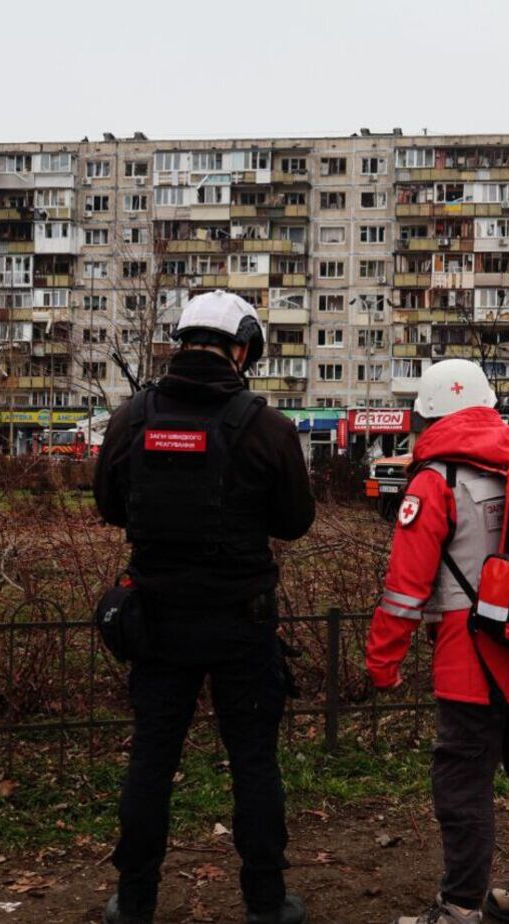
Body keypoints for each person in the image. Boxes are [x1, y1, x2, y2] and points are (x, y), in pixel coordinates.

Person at [93, 291, 316, 924]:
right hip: (241, 625)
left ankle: (135, 902)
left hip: (155, 623)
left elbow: (110, 507)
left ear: (182, 342)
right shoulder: (268, 427)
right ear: (241, 350)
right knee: (253, 761)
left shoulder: (131, 417)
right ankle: (267, 904)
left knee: (151, 760)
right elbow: (295, 523)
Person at [365, 359, 509, 924]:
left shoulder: (435, 481)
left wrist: (382, 662)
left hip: (470, 662)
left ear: (426, 416)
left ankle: (458, 909)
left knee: (462, 785)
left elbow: (404, 591)